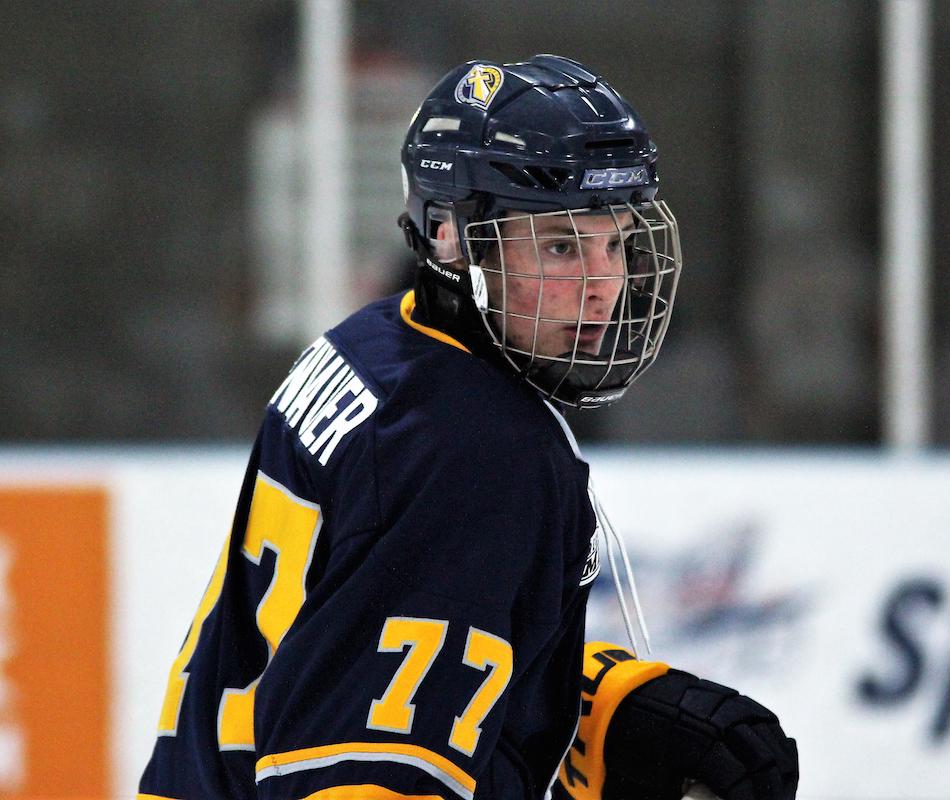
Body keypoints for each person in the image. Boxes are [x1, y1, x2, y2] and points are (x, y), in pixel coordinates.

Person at [139, 55, 798, 800]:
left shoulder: (377, 346)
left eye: (613, 242)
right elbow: (362, 775)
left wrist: (595, 702)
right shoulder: (471, 452)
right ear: (453, 237)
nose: (605, 284)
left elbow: (348, 636)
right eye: (560, 247)